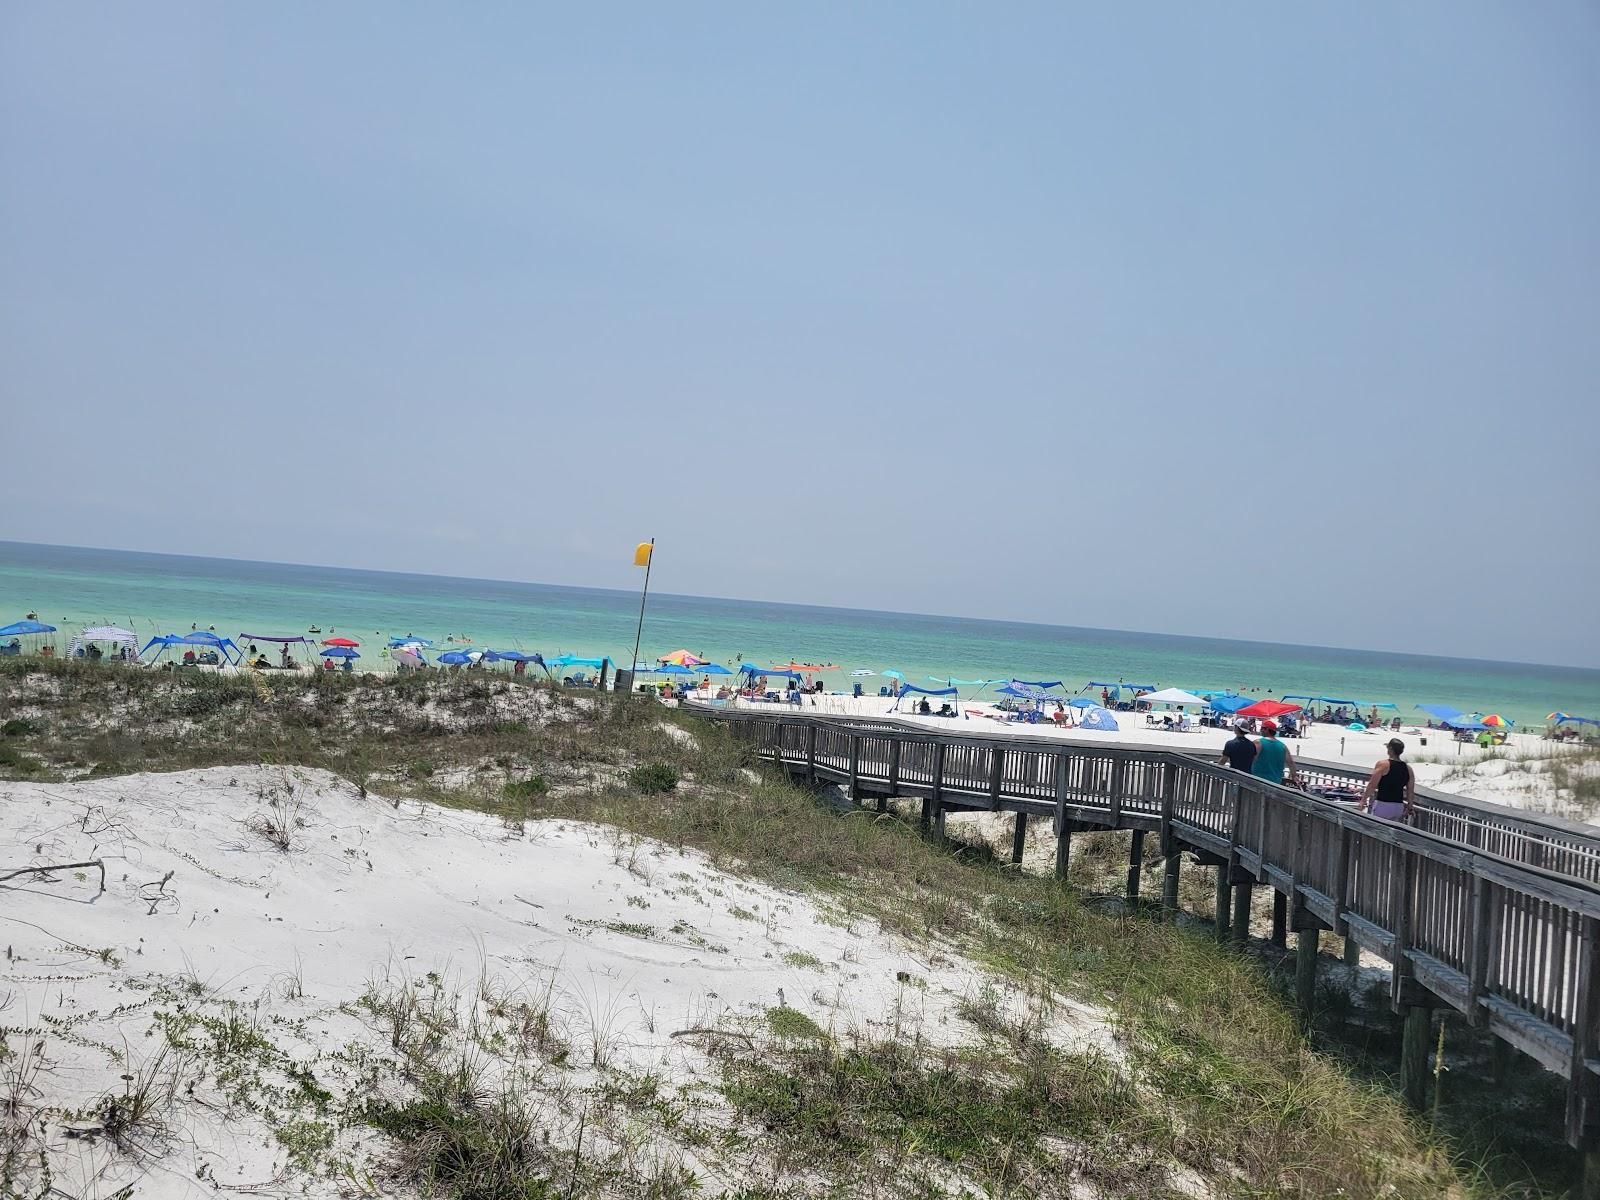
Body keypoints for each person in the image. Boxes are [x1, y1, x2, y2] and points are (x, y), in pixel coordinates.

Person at [1361, 739, 1415, 822]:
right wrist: (1410, 807)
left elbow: (1372, 784)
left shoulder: (1383, 764)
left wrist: (1363, 801)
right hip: (1398, 807)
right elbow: (1410, 790)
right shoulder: (1408, 769)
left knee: (1377, 831)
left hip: (1383, 804)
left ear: (1390, 749)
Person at [1251, 721, 1298, 787]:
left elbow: (1251, 759)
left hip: (1258, 782)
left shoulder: (1258, 742)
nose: (1260, 730)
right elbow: (1290, 763)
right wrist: (1294, 777)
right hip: (1276, 783)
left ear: (1267, 729)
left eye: (1262, 728)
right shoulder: (1283, 746)